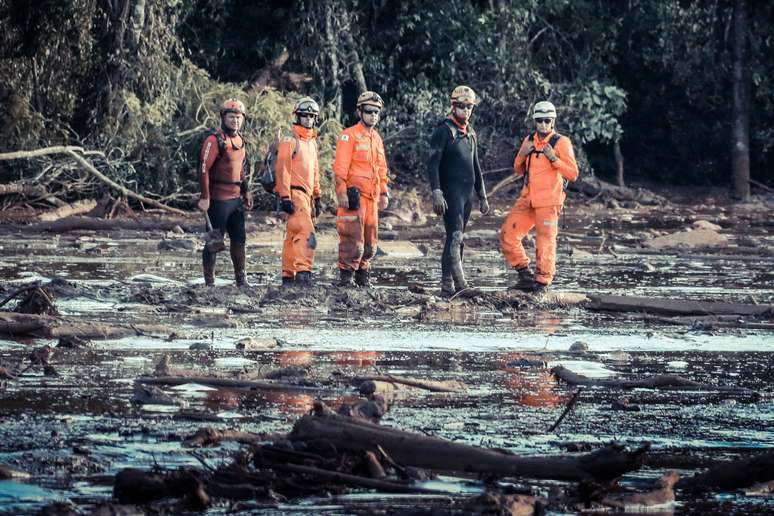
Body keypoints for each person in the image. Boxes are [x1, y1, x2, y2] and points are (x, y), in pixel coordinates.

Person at [499, 100, 579, 293]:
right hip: (527, 199)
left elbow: (573, 174)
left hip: (549, 202)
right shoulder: (528, 140)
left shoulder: (561, 142)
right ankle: (525, 276)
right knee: (507, 235)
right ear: (534, 121)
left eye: (547, 120)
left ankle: (542, 283)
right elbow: (518, 169)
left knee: (545, 243)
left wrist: (554, 158)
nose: (543, 124)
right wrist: (522, 155)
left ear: (553, 121)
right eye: (539, 120)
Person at [427, 85, 490, 297]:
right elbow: (432, 164)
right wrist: (437, 191)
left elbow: (476, 165)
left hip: (467, 194)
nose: (466, 111)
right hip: (450, 192)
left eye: (469, 107)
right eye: (461, 107)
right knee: (454, 235)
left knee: (458, 237)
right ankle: (458, 284)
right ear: (453, 106)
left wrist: (482, 195)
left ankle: (450, 286)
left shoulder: (470, 133)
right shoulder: (443, 130)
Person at [333, 91, 390, 287]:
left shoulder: (377, 139)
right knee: (352, 240)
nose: (373, 115)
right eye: (369, 111)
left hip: (372, 198)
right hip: (354, 197)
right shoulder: (349, 136)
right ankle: (346, 279)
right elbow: (340, 167)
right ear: (359, 112)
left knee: (370, 243)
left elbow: (382, 169)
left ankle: (363, 277)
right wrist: (341, 191)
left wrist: (383, 192)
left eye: (376, 112)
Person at [197, 98, 253, 287]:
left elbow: (240, 169)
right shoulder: (214, 140)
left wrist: (246, 191)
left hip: (235, 200)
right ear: (223, 117)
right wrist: (205, 197)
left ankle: (241, 280)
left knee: (239, 240)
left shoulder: (241, 141)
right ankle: (209, 283)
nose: (235, 121)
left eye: (238, 117)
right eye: (231, 117)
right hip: (218, 201)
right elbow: (203, 168)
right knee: (213, 243)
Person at [275, 96, 322, 287]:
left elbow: (315, 171)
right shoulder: (290, 140)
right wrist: (285, 196)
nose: (308, 120)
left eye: (312, 117)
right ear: (297, 117)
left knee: (292, 236)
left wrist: (317, 196)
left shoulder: (312, 143)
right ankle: (303, 274)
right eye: (305, 116)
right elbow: (282, 169)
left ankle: (288, 276)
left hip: (306, 196)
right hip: (294, 194)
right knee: (306, 233)